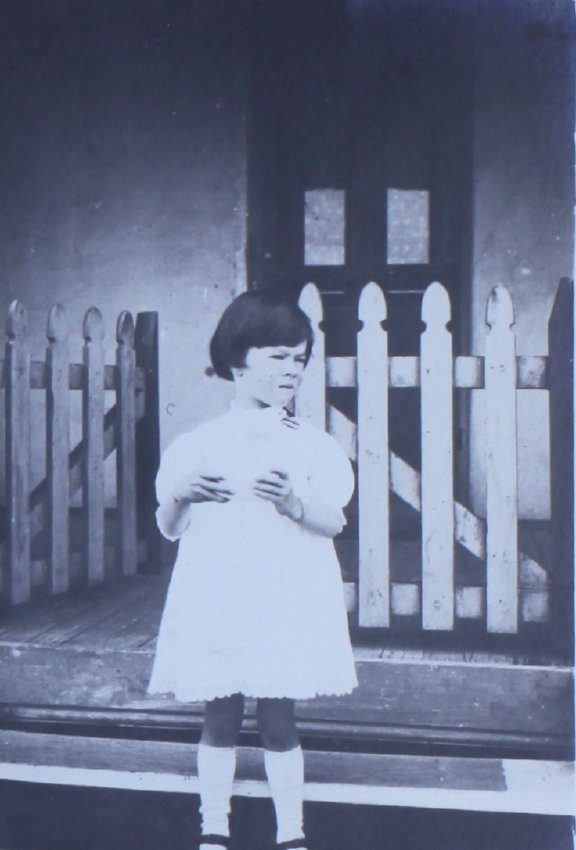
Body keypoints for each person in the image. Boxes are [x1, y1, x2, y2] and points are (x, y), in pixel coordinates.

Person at [148, 290, 358, 850]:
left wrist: (293, 504)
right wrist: (181, 494)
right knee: (220, 711)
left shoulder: (312, 446)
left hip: (283, 592)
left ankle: (291, 832)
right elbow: (169, 526)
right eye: (277, 357)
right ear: (237, 361)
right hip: (222, 590)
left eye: (299, 358)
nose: (291, 370)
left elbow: (334, 521)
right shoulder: (198, 444)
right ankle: (214, 828)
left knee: (278, 713)